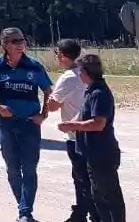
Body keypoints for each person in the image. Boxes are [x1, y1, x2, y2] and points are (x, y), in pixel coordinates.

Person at [0, 27, 53, 222]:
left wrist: (43, 114)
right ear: (5, 45)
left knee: (29, 168)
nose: (21, 44)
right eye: (15, 41)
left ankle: (25, 213)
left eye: (22, 40)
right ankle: (24, 208)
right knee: (12, 168)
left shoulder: (34, 66)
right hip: (7, 125)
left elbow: (48, 90)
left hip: (30, 125)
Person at [57, 54, 126, 222]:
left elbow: (98, 123)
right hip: (92, 154)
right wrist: (69, 123)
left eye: (81, 71)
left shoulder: (99, 92)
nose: (79, 75)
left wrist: (73, 126)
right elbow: (82, 115)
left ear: (87, 72)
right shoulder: (90, 90)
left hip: (102, 154)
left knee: (109, 197)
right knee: (98, 197)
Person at [48, 39, 99, 222]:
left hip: (75, 134)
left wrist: (50, 95)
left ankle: (82, 215)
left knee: (82, 179)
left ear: (62, 55)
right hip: (91, 132)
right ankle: (87, 214)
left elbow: (52, 106)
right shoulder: (85, 72)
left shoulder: (68, 77)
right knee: (87, 177)